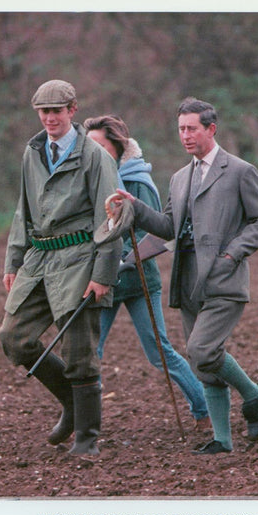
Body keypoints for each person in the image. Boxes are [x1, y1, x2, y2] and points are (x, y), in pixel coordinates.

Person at [112, 97, 258, 455]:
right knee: (204, 367)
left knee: (202, 350)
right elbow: (168, 227)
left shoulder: (239, 171)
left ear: (211, 129)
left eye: (192, 129)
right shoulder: (179, 177)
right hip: (187, 283)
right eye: (181, 129)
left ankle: (254, 395)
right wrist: (135, 207)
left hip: (224, 281)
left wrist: (232, 253)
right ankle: (222, 440)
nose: (185, 135)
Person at [0, 80, 122, 457]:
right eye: (44, 111)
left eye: (57, 110)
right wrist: (14, 260)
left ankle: (86, 438)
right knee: (13, 336)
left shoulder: (95, 156)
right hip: (39, 259)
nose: (50, 118)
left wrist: (103, 274)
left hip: (81, 259)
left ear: (73, 110)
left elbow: (112, 219)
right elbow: (24, 209)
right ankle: (71, 401)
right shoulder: (32, 151)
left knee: (79, 351)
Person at [82, 114, 211, 431]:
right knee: (89, 354)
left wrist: (125, 257)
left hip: (139, 282)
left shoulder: (137, 181)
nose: (93, 152)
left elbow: (157, 231)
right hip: (103, 283)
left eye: (99, 146)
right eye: (89, 147)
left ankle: (204, 411)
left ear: (116, 147)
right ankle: (84, 421)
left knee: (159, 353)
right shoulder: (90, 181)